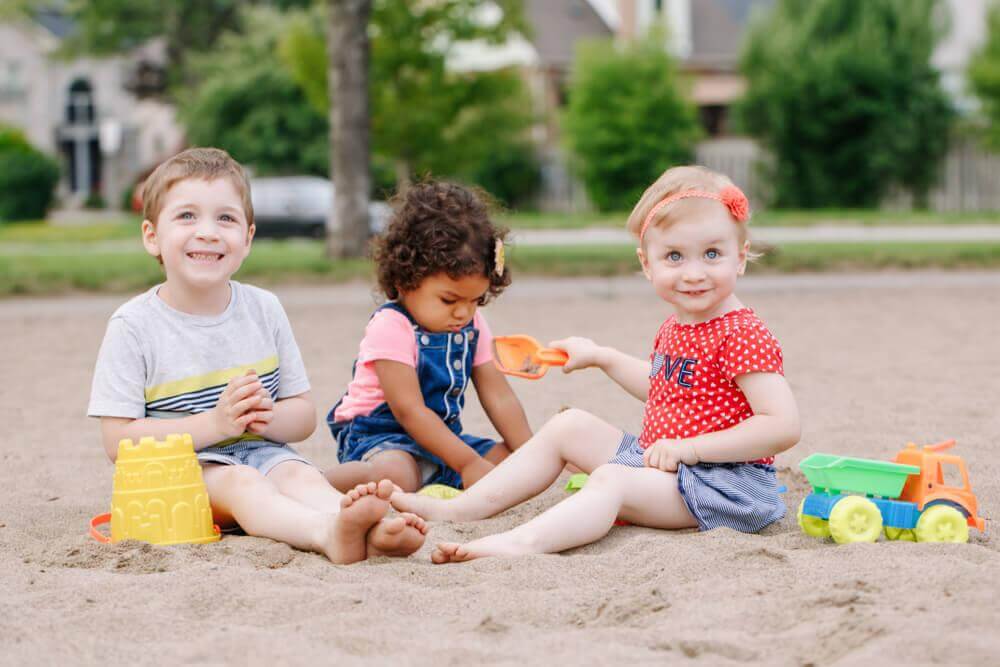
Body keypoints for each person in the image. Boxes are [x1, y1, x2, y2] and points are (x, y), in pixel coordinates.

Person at [391, 165, 801, 563]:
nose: (694, 273)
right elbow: (671, 391)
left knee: (610, 479)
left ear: (741, 257)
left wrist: (690, 449)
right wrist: (602, 357)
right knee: (569, 426)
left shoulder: (740, 333)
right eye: (674, 256)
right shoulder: (682, 324)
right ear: (647, 264)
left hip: (727, 487)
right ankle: (464, 509)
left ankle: (522, 543)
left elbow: (781, 425)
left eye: (712, 254)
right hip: (670, 466)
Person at [88, 147, 426, 564]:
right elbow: (117, 442)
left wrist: (266, 417)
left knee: (300, 474)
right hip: (178, 473)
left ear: (247, 239)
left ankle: (368, 529)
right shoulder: (134, 326)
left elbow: (302, 416)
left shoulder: (264, 309)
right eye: (187, 216)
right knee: (244, 483)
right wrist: (215, 423)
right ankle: (326, 533)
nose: (208, 231)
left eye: (225, 218)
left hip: (264, 453)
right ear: (152, 236)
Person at [325, 182, 532, 493]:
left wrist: (531, 454)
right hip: (380, 438)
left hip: (442, 440)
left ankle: (442, 469)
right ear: (406, 279)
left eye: (475, 300)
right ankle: (305, 484)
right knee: (397, 476)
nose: (463, 313)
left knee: (513, 464)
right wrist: (467, 463)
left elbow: (499, 396)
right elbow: (410, 411)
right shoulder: (391, 325)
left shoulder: (472, 324)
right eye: (449, 300)